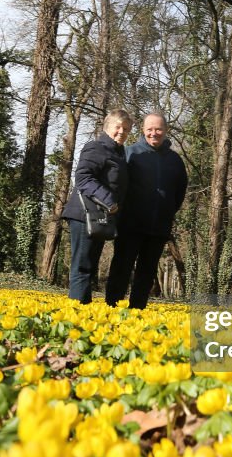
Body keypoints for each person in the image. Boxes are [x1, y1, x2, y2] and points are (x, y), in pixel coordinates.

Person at [105, 111, 188, 309]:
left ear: (166, 130)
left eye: (158, 129)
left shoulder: (175, 160)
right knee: (121, 269)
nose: (154, 133)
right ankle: (110, 309)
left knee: (147, 273)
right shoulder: (131, 153)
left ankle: (137, 313)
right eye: (149, 129)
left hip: (158, 228)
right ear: (143, 130)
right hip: (130, 225)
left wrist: (166, 211)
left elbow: (179, 192)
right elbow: (117, 185)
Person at [62, 109, 133, 303]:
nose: (122, 132)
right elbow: (83, 178)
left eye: (126, 129)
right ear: (107, 127)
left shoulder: (119, 154)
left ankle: (84, 315)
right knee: (82, 268)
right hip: (84, 216)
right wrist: (109, 201)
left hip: (99, 218)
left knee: (89, 268)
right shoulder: (96, 147)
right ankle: (76, 317)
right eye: (118, 127)